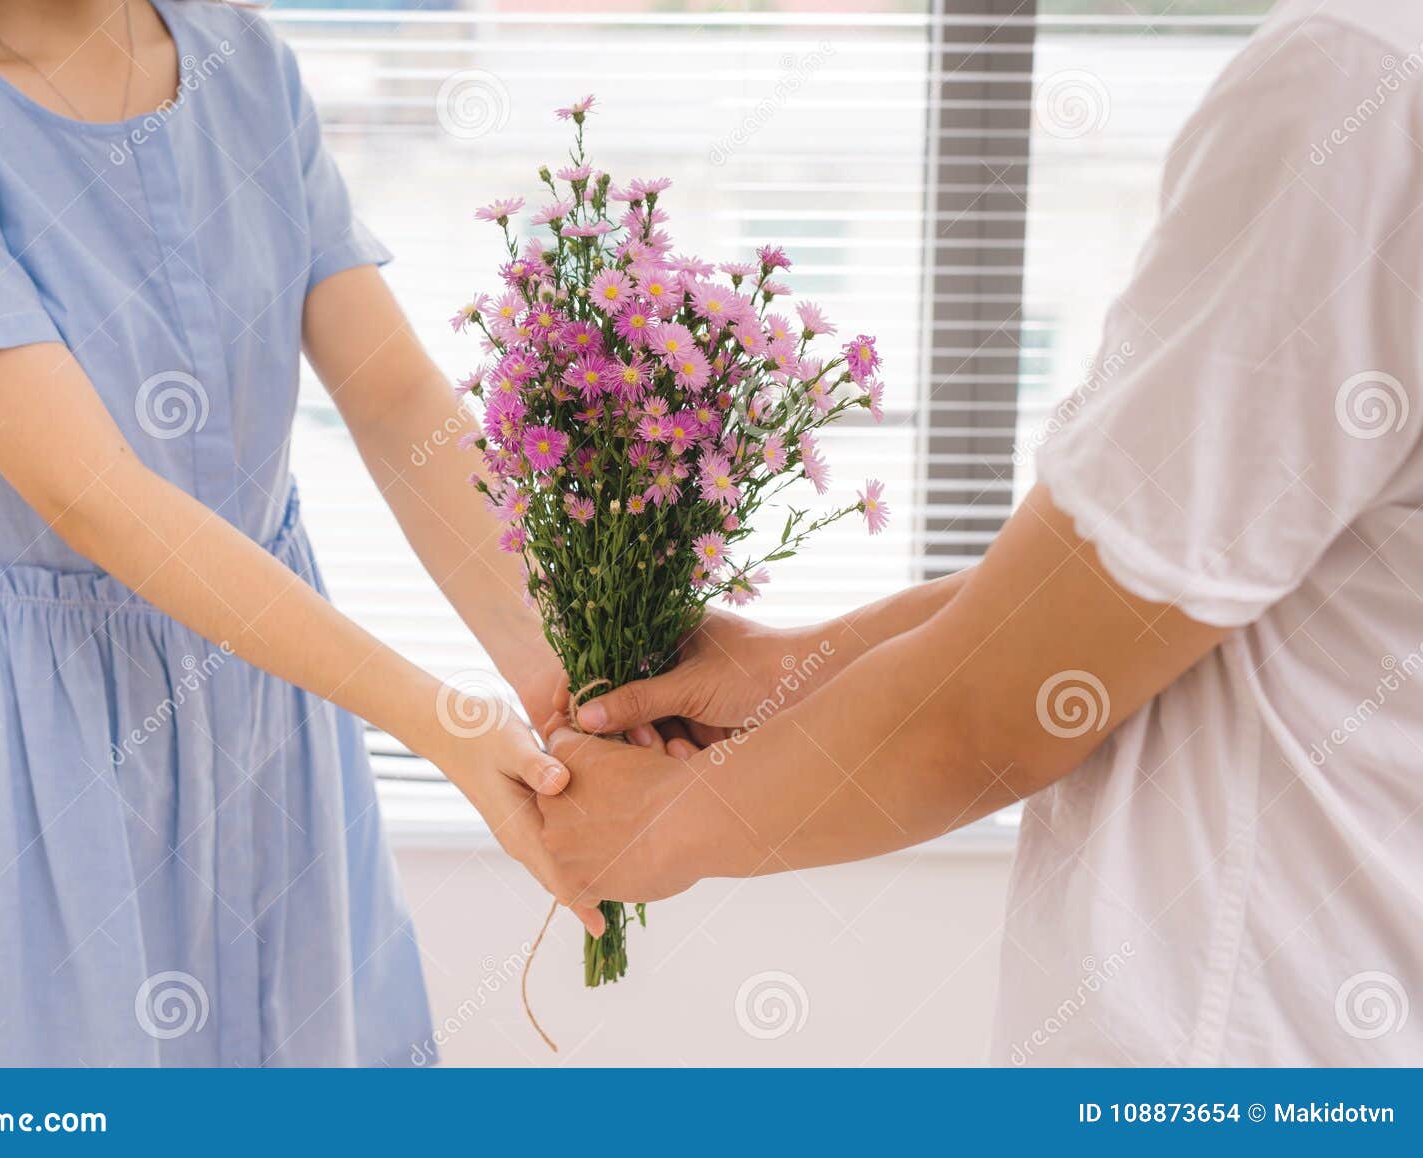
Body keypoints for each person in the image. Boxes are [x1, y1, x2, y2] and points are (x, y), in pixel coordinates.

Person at [538, 0, 1423, 1065]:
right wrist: (793, 668)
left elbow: (992, 715)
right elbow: (1130, 594)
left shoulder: (1363, 82)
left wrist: (670, 826)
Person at [0, 0, 601, 1066]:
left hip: (270, 708)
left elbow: (395, 401)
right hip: (27, 745)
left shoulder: (235, 55)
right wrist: (442, 719)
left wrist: (559, 668)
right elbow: (94, 495)